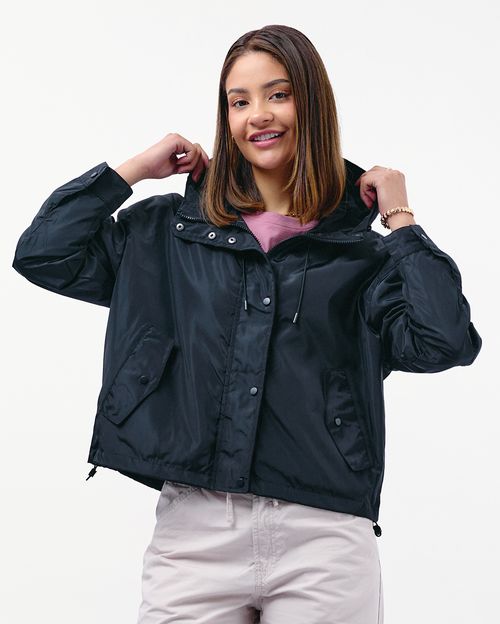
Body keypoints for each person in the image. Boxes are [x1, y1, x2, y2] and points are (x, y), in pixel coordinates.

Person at [12, 24, 482, 624]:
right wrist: (130, 171)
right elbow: (43, 254)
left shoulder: (363, 253)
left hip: (325, 535)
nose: (258, 114)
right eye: (239, 101)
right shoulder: (167, 232)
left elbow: (444, 341)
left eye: (278, 94)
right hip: (195, 534)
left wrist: (402, 220)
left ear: (312, 105)